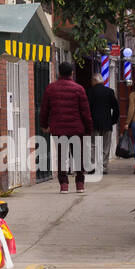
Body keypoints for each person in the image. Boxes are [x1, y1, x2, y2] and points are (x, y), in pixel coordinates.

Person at [38, 61, 93, 192]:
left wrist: (44, 124)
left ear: (59, 73)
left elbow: (44, 109)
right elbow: (86, 112)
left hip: (59, 128)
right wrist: (88, 129)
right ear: (72, 73)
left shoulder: (51, 88)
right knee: (78, 156)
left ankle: (64, 185)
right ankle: (80, 184)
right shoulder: (79, 89)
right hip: (76, 128)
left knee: (62, 156)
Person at [86, 72, 120, 170]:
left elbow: (86, 108)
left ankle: (93, 166)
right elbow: (116, 108)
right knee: (105, 146)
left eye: (92, 81)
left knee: (93, 145)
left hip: (94, 123)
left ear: (94, 81)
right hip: (107, 123)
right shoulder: (109, 92)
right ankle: (103, 166)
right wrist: (113, 120)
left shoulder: (89, 91)